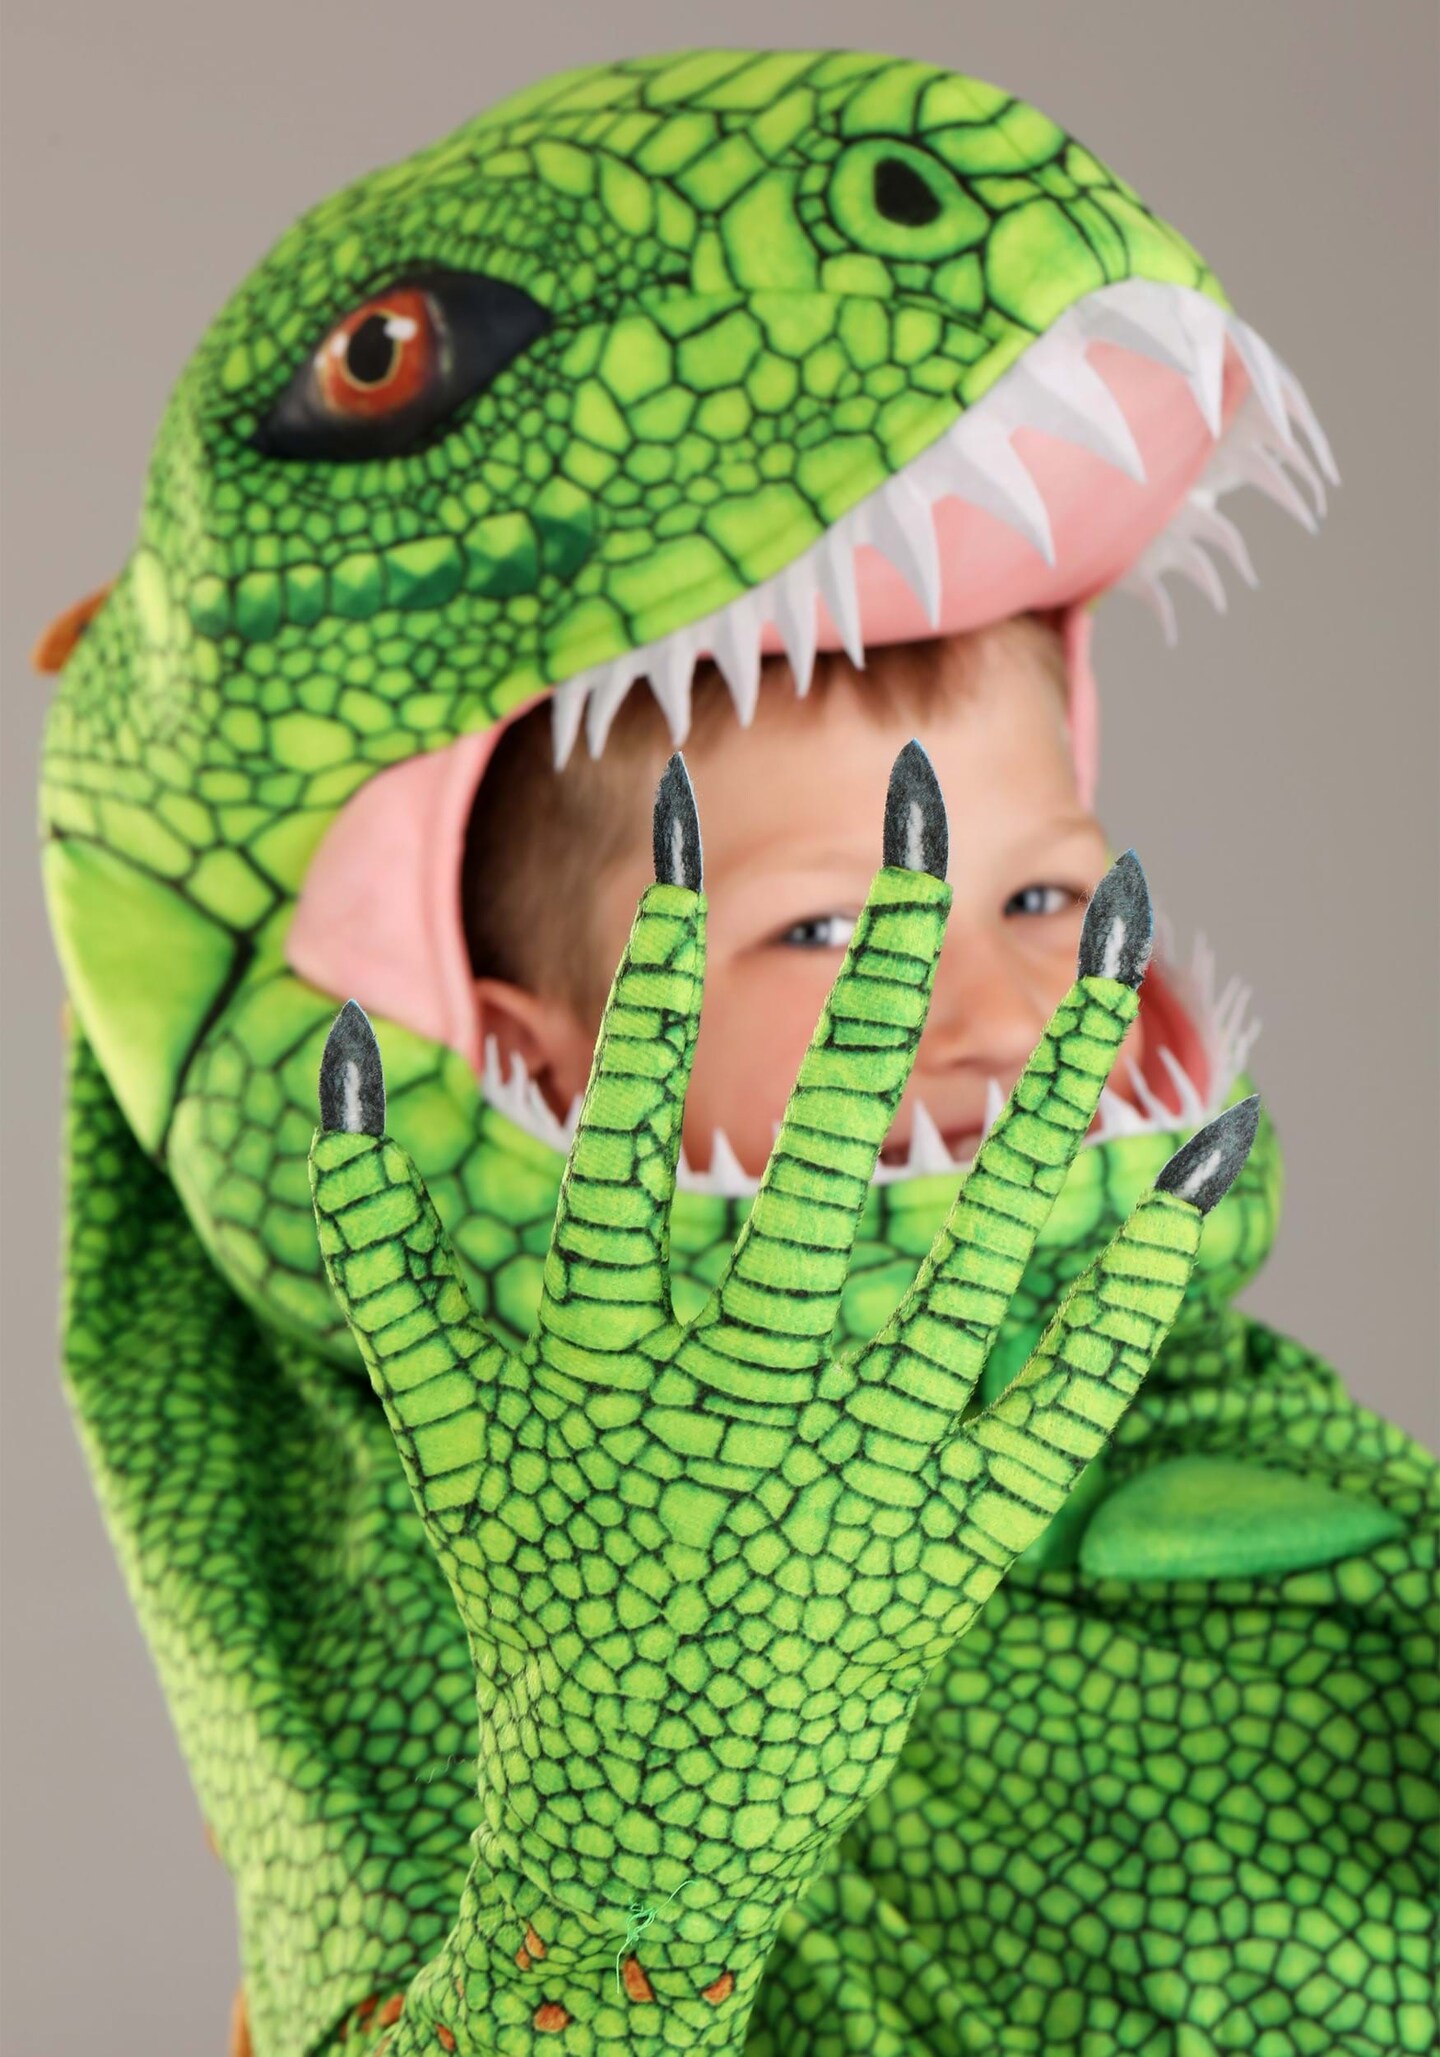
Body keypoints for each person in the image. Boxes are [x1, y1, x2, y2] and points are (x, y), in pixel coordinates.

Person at [36, 46, 1435, 2057]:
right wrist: (630, 1875)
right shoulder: (418, 1637)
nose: (994, 1015)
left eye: (1047, 899)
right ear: (526, 1046)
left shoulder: (1241, 1452)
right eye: (829, 934)